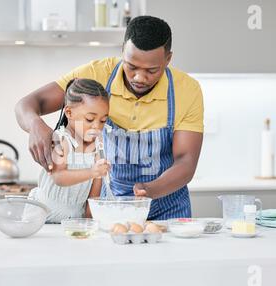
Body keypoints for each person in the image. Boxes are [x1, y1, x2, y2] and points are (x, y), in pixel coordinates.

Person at [16, 16, 204, 220]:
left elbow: (186, 161)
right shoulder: (98, 73)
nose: (139, 78)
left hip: (169, 207)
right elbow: (27, 104)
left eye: (151, 70)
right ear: (122, 51)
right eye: (131, 66)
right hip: (111, 206)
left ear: (168, 59)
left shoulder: (186, 90)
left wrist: (149, 190)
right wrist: (35, 124)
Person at [28, 78, 110, 223]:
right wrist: (92, 172)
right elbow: (58, 177)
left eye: (103, 120)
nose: (97, 126)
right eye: (90, 119)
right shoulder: (61, 140)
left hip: (74, 219)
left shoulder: (97, 147)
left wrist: (90, 220)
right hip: (42, 216)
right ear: (69, 113)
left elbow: (94, 195)